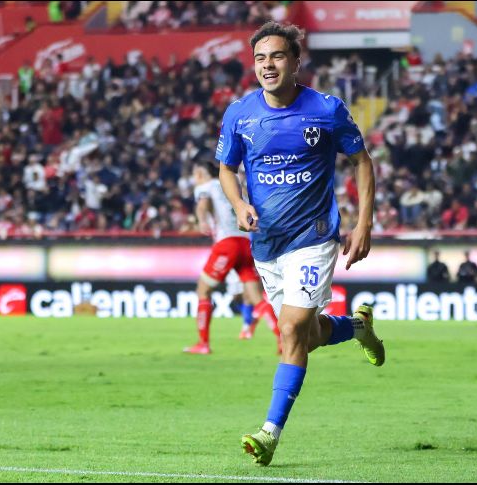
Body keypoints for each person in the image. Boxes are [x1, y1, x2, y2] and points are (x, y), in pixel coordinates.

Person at [216, 22, 384, 466]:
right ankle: (357, 327)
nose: (267, 65)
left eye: (276, 56)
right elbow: (226, 169)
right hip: (267, 244)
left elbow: (362, 162)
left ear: (295, 62)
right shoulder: (239, 113)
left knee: (290, 330)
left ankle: (269, 432)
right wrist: (238, 203)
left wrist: (364, 222)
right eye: (260, 58)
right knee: (306, 337)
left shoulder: (326, 110)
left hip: (313, 239)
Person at [184, 161, 280, 355]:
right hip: (246, 244)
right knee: (256, 298)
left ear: (201, 172)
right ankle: (282, 339)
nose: (194, 177)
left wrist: (201, 220)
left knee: (203, 290)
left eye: (195, 173)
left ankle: (203, 343)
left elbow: (202, 205)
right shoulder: (234, 187)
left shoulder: (205, 186)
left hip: (227, 244)